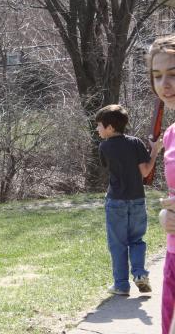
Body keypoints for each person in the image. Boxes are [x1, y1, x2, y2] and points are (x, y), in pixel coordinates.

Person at [95, 104, 161, 296]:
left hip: (116, 201)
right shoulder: (135, 143)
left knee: (118, 244)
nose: (98, 129)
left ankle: (121, 285)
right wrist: (154, 150)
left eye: (99, 125)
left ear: (110, 128)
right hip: (138, 199)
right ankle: (140, 274)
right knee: (137, 240)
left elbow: (109, 167)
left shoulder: (104, 147)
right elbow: (145, 171)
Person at [147, 33, 175, 334]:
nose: (164, 85)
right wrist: (164, 216)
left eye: (173, 74)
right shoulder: (170, 135)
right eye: (157, 76)